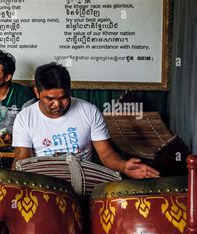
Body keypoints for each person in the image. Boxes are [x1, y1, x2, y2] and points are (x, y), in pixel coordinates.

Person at [12, 62, 160, 179]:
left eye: (63, 97)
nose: (57, 104)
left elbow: (106, 154)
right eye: (50, 99)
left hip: (83, 182)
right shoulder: (25, 118)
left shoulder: (89, 111)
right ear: (37, 92)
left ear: (70, 90)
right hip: (46, 185)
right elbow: (23, 160)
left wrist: (123, 166)